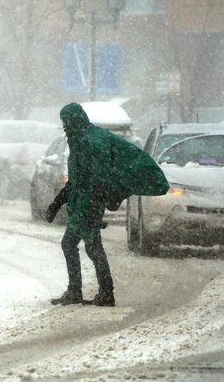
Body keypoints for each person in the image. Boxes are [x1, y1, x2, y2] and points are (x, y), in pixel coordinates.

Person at [46, 102, 169, 307]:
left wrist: (96, 202)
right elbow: (76, 180)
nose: (64, 127)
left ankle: (88, 291)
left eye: (66, 122)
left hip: (90, 203)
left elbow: (96, 177)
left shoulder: (91, 142)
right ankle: (101, 292)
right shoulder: (79, 140)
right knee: (91, 247)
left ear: (74, 120)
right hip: (85, 202)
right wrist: (57, 203)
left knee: (75, 245)